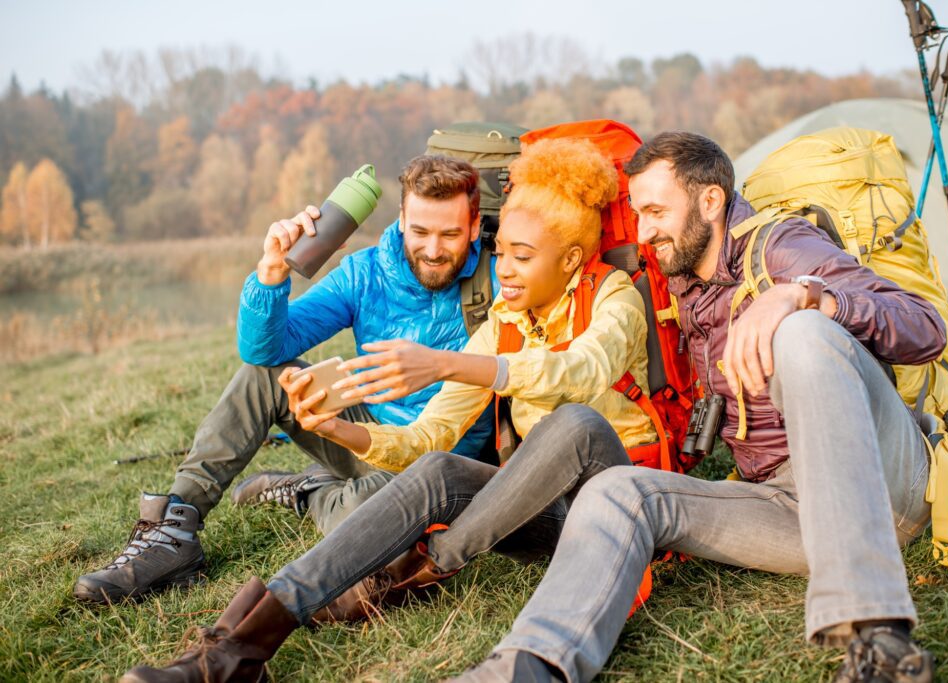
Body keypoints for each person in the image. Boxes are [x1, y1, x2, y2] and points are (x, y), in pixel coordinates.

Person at [119, 137, 660, 683]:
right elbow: (429, 438)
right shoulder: (496, 321)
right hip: (532, 509)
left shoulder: (612, 296)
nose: (507, 269)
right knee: (432, 470)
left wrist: (446, 364)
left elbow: (584, 370)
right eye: (504, 255)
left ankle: (413, 561)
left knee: (572, 423)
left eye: (520, 256)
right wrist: (337, 428)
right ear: (400, 221)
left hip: (613, 495)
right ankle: (231, 650)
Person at [453, 131, 947, 683]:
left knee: (802, 334)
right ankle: (528, 665)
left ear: (710, 202)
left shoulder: (782, 245)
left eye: (657, 211)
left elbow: (925, 327)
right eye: (638, 212)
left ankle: (878, 638)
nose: (644, 231)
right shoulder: (685, 279)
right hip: (785, 502)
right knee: (618, 491)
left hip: (879, 488)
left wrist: (800, 295)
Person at [74, 155, 495, 604]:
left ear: (473, 227)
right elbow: (265, 351)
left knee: (366, 524)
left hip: (439, 466)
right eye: (421, 232)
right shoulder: (366, 272)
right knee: (264, 375)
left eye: (449, 234)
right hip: (361, 431)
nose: (433, 249)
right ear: (402, 219)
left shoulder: (500, 276)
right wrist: (271, 272)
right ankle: (173, 528)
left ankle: (308, 491)